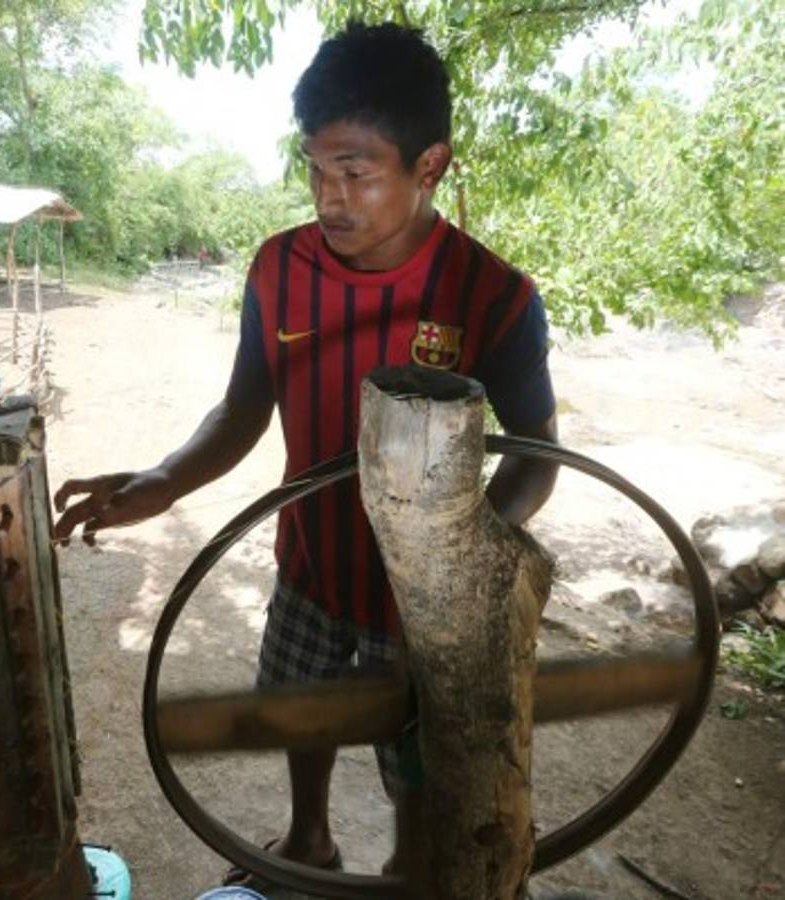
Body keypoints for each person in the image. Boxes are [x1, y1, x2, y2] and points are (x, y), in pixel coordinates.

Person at [54, 21, 559, 888]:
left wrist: (457, 568)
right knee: (300, 717)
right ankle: (310, 838)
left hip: (427, 605)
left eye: (355, 173)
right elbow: (244, 406)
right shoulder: (277, 270)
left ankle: (409, 865)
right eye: (316, 168)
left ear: (428, 165)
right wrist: (163, 482)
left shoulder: (493, 296)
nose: (329, 197)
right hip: (310, 566)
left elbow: (538, 456)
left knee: (417, 758)